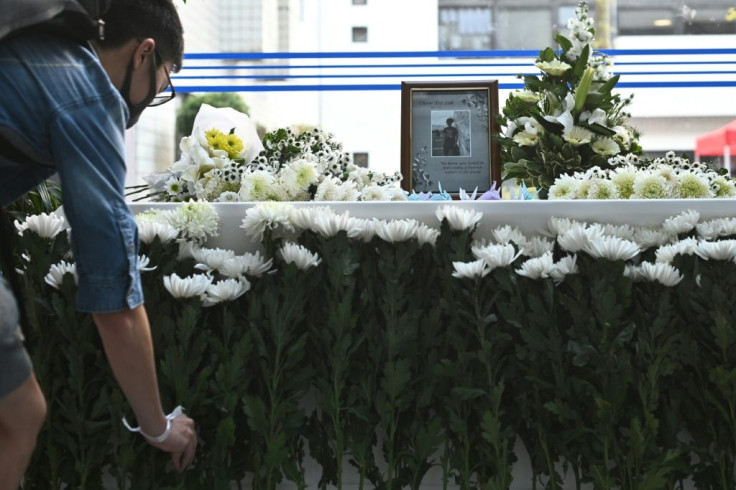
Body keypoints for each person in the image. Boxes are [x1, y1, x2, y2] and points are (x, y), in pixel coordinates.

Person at [0, 1, 197, 487]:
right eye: (165, 80)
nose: (155, 96)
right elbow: (115, 300)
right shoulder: (87, 94)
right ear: (143, 54)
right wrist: (159, 428)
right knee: (19, 415)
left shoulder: (34, 47)